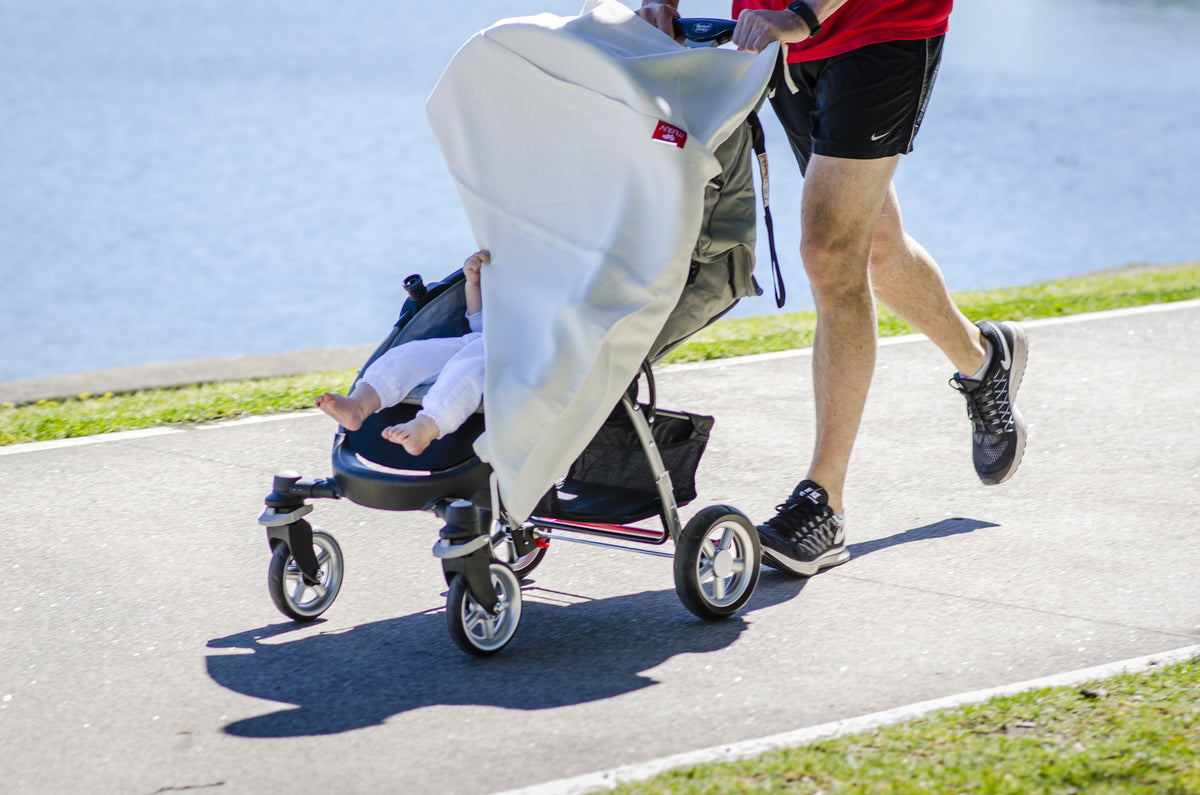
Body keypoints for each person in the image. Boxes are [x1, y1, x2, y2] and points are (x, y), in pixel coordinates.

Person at [637, 0, 1028, 576]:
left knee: (829, 254)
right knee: (873, 246)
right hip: (784, 42)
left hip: (877, 28)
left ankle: (825, 507)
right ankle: (984, 359)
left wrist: (805, 13)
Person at [315, 249, 490, 456]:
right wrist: (473, 282)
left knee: (467, 367)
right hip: (481, 337)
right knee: (414, 353)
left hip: (517, 355)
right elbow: (479, 322)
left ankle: (427, 426)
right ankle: (360, 403)